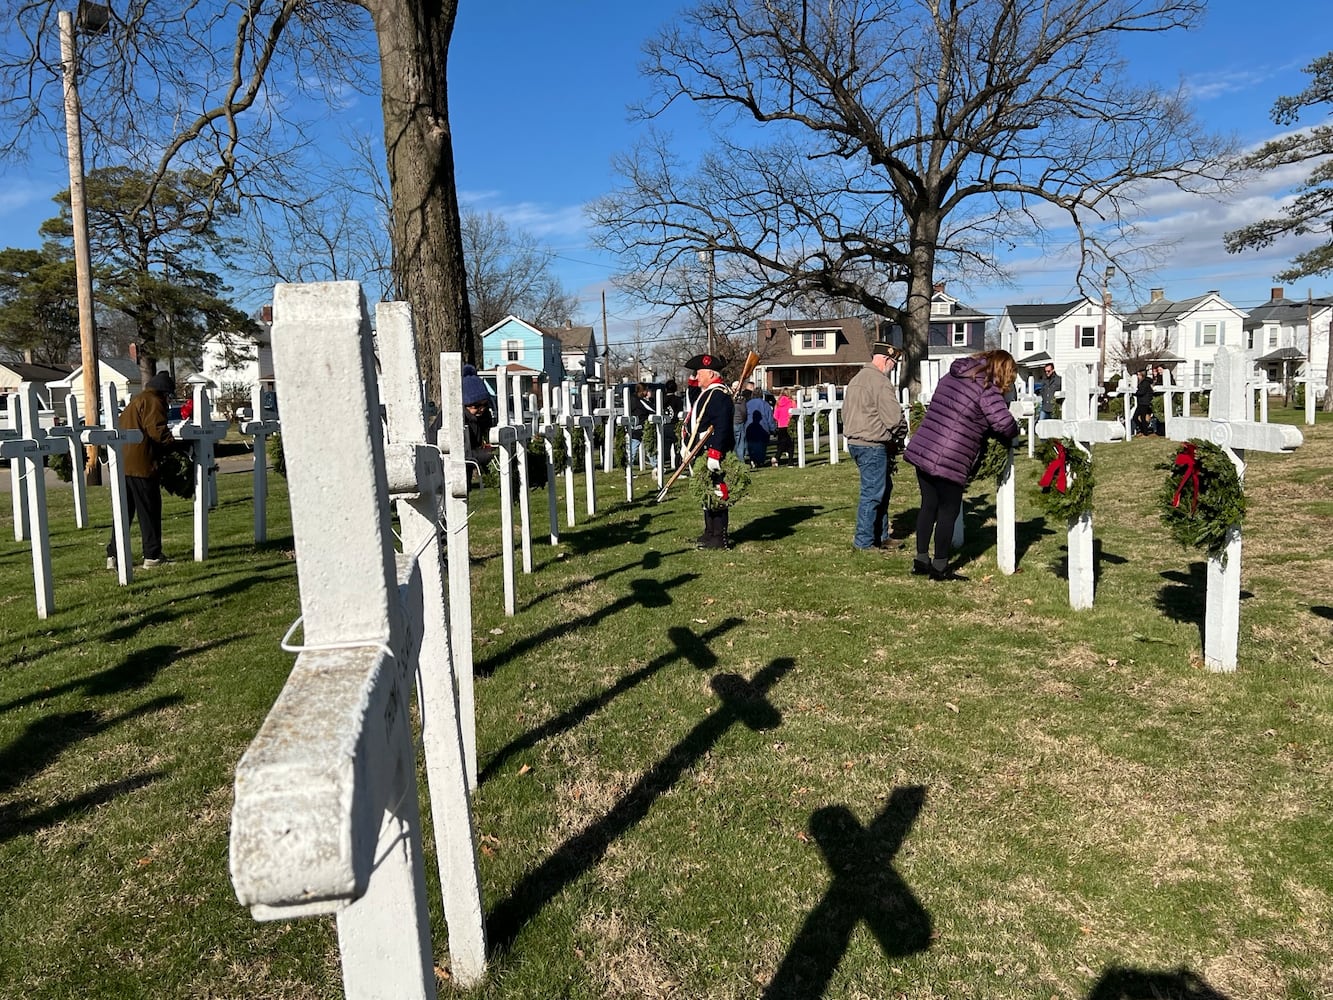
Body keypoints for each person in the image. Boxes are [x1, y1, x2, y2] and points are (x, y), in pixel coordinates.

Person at [903, 350, 1019, 580]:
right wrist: (1016, 430)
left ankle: (921, 560)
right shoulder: (987, 387)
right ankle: (940, 567)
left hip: (925, 445)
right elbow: (1003, 423)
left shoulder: (952, 375)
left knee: (928, 505)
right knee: (949, 510)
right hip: (951, 456)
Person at [106, 371, 179, 570]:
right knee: (149, 511)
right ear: (164, 392)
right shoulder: (153, 401)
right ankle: (152, 555)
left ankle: (113, 555)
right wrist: (176, 446)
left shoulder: (138, 399)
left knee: (124, 513)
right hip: (142, 463)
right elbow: (157, 431)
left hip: (124, 463)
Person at [843, 343, 906, 552]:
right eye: (893, 363)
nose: (893, 368)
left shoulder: (856, 379)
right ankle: (864, 542)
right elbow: (893, 418)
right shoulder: (880, 382)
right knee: (873, 493)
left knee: (882, 488)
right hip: (872, 444)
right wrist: (901, 434)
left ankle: (881, 536)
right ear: (886, 360)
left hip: (855, 442)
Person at [682, 352, 736, 549]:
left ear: (712, 374)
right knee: (706, 491)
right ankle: (709, 531)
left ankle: (719, 537)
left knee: (717, 492)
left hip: (712, 450)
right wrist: (692, 379)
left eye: (700, 373)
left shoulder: (719, 395)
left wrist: (715, 452)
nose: (697, 376)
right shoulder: (708, 393)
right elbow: (695, 398)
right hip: (701, 450)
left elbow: (722, 426)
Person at [461, 364, 494, 490]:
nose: (481, 409)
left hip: (466, 473)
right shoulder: (457, 418)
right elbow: (463, 453)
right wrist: (490, 454)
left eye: (484, 404)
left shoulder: (484, 417)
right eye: (475, 406)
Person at [744, 390, 777, 468]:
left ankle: (753, 460)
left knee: (751, 445)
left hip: (749, 428)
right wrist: (773, 428)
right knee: (761, 446)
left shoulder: (747, 404)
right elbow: (769, 417)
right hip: (763, 428)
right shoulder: (765, 404)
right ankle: (760, 461)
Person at [662, 378, 684, 470]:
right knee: (677, 448)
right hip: (675, 425)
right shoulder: (678, 400)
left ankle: (660, 466)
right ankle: (678, 467)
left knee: (664, 448)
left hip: (664, 425)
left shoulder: (662, 399)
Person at [628, 383, 652, 466]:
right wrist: (649, 399)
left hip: (634, 426)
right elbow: (652, 409)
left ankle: (628, 467)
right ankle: (656, 466)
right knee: (650, 447)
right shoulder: (640, 400)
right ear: (643, 391)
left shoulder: (631, 398)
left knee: (632, 449)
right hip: (642, 426)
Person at [773, 389, 796, 464]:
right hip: (790, 425)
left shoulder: (778, 403)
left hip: (781, 425)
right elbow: (795, 412)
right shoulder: (792, 402)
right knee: (790, 444)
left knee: (781, 443)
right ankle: (790, 461)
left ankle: (777, 458)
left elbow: (775, 416)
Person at [1133, 368, 1158, 436]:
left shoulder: (1145, 383)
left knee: (1141, 418)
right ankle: (1144, 430)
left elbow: (1141, 392)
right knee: (1136, 418)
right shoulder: (1142, 382)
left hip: (1144, 403)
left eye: (1138, 375)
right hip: (1141, 402)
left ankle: (1145, 432)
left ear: (1142, 375)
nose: (1138, 376)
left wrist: (1134, 393)